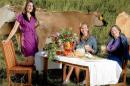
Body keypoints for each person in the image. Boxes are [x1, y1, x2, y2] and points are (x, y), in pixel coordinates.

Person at [3, 0, 39, 66]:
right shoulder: (21, 17)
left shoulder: (33, 18)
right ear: (25, 7)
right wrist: (7, 39)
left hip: (34, 41)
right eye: (29, 5)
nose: (30, 7)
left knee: (32, 61)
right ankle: (16, 63)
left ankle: (24, 72)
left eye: (32, 6)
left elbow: (34, 26)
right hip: (26, 41)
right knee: (31, 62)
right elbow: (14, 29)